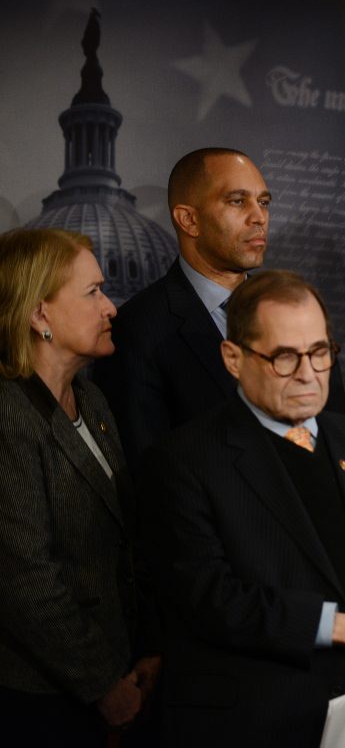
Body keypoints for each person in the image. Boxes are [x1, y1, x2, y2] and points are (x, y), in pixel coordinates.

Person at [139, 270, 345, 746]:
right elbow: (209, 597)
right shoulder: (184, 461)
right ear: (233, 358)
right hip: (262, 721)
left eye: (320, 352)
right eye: (285, 357)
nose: (308, 373)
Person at [0, 229, 159, 744]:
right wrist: (102, 685)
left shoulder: (90, 401)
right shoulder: (7, 414)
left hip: (117, 671)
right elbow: (26, 581)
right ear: (38, 314)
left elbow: (124, 541)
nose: (111, 307)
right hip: (41, 702)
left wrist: (142, 652)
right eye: (92, 292)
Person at [92, 147, 343, 467]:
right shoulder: (138, 329)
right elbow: (150, 469)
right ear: (189, 220)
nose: (259, 217)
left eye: (263, 202)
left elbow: (337, 435)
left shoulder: (298, 310)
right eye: (238, 201)